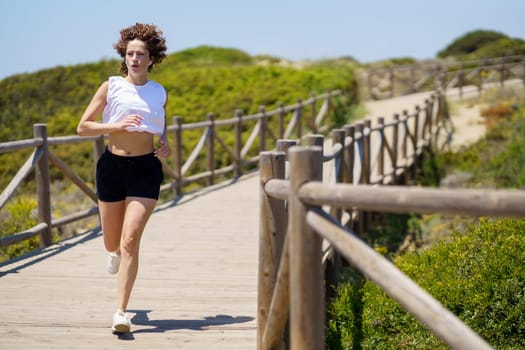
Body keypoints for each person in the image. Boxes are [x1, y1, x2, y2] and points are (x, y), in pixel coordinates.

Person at [77, 23, 170, 333]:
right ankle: (112, 252)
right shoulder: (111, 86)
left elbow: (160, 124)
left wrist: (163, 143)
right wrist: (115, 126)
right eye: (130, 54)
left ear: (151, 58)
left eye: (140, 54)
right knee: (113, 241)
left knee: (131, 240)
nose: (134, 59)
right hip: (113, 168)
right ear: (124, 56)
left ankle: (121, 312)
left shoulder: (159, 92)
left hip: (146, 170)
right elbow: (83, 127)